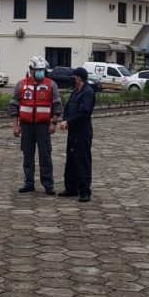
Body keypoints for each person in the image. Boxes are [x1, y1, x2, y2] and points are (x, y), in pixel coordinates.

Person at [10, 56, 63, 195]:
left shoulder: (51, 84)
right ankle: (29, 183)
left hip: (44, 126)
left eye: (42, 70)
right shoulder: (21, 85)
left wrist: (54, 123)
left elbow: (57, 105)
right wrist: (15, 125)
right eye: (37, 70)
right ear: (31, 70)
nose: (40, 72)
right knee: (28, 155)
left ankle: (48, 185)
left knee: (45, 155)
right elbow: (14, 106)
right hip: (26, 126)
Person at [59, 67, 96, 202]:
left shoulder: (87, 92)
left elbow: (84, 113)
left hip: (82, 131)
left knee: (82, 160)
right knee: (71, 160)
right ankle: (71, 188)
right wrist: (65, 119)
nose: (71, 80)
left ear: (79, 78)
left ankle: (84, 191)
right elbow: (68, 107)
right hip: (73, 131)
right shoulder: (75, 92)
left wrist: (68, 122)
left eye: (73, 77)